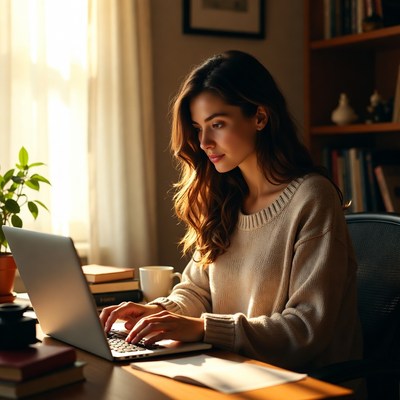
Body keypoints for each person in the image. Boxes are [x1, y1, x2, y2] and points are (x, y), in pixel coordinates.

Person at [100, 50, 362, 372]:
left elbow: (306, 328)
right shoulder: (225, 198)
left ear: (260, 117)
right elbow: (197, 291)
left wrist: (203, 328)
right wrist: (158, 311)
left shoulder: (312, 198)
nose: (204, 142)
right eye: (198, 128)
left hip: (303, 383)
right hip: (235, 371)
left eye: (218, 124)